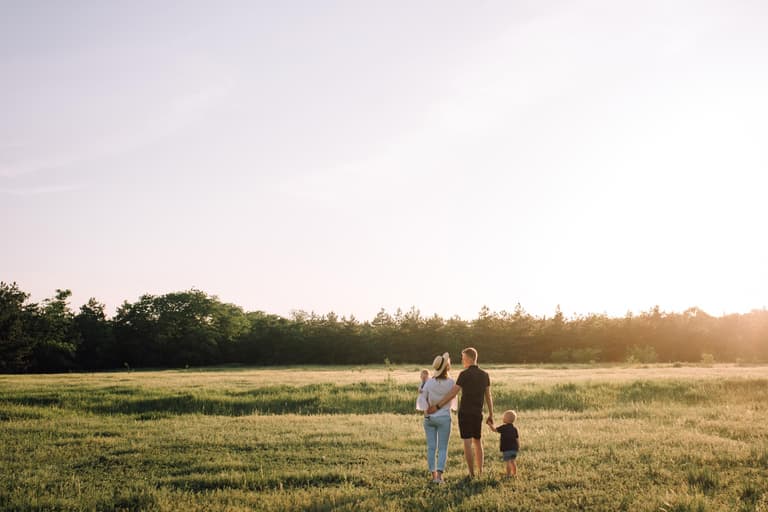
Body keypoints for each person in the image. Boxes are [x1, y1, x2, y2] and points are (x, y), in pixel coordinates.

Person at [427, 347, 493, 478]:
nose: (462, 360)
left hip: (465, 413)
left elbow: (453, 393)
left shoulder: (464, 374)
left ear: (469, 358)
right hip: (477, 413)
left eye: (463, 358)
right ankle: (481, 471)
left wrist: (438, 405)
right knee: (478, 441)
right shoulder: (485, 375)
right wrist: (491, 414)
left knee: (467, 442)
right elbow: (488, 396)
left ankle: (471, 474)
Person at [422, 352, 457, 484]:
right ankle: (440, 477)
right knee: (443, 447)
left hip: (429, 418)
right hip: (444, 418)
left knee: (431, 447)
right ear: (447, 367)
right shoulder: (451, 382)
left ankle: (433, 476)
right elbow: (453, 401)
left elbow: (422, 401)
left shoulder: (429, 383)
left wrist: (426, 412)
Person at [489, 410, 519, 478]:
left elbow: (494, 430)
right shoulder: (514, 429)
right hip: (514, 448)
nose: (503, 418)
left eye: (504, 417)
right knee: (513, 461)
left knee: (508, 462)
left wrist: (490, 424)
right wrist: (518, 447)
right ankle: (514, 474)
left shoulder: (503, 427)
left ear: (507, 419)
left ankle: (508, 475)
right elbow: (517, 438)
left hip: (506, 448)